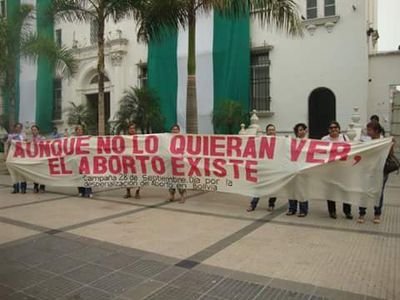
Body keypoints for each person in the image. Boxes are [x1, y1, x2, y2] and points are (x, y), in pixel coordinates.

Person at [358, 121, 392, 224]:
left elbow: (389, 155)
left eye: (369, 130)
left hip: (380, 171)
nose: (367, 132)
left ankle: (377, 214)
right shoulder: (366, 141)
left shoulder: (384, 141)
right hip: (367, 170)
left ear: (376, 131)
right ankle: (362, 213)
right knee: (364, 191)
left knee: (379, 192)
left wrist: (391, 145)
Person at [321, 121, 353, 219]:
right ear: (328, 130)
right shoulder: (324, 139)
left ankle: (347, 211)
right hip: (330, 169)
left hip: (343, 169)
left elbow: (351, 150)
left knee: (345, 190)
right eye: (331, 128)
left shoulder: (345, 138)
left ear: (339, 129)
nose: (334, 129)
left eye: (336, 127)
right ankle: (332, 211)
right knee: (331, 191)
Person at [247, 124, 277, 212]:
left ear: (275, 131)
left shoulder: (280, 141)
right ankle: (253, 204)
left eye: (273, 129)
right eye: (269, 130)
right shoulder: (261, 141)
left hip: (275, 169)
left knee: (274, 188)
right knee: (259, 187)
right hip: (263, 168)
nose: (271, 131)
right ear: (266, 132)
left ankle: (271, 204)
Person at [287, 123, 309, 217]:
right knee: (292, 190)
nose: (301, 131)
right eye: (299, 130)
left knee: (302, 191)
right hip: (293, 169)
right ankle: (292, 209)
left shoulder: (310, 142)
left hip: (304, 170)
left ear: (306, 130)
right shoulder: (292, 142)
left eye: (302, 129)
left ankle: (303, 210)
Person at [5, 123, 27, 194]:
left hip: (22, 156)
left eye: (20, 127)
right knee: (14, 172)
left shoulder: (23, 135)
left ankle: (23, 188)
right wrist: (6, 153)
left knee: (22, 172)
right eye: (17, 127)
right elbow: (7, 144)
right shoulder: (11, 136)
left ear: (21, 128)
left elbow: (27, 144)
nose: (18, 128)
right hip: (13, 156)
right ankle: (16, 187)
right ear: (15, 128)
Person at [168, 124, 186, 203]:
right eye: (173, 129)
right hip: (170, 163)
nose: (174, 131)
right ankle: (172, 195)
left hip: (179, 164)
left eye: (176, 129)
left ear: (179, 131)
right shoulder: (167, 139)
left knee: (180, 181)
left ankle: (182, 196)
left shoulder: (183, 139)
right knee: (170, 181)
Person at [124, 123, 141, 199]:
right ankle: (128, 192)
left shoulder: (140, 138)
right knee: (127, 176)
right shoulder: (125, 138)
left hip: (137, 160)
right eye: (130, 128)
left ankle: (137, 192)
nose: (132, 129)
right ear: (128, 129)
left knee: (138, 176)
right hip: (127, 160)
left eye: (133, 128)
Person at [75, 125, 93, 198]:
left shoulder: (86, 138)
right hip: (77, 161)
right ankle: (81, 191)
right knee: (79, 177)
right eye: (78, 130)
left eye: (81, 129)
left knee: (87, 176)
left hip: (86, 161)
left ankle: (88, 191)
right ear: (76, 131)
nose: (80, 131)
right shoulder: (73, 140)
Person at [31, 125, 46, 193]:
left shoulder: (42, 138)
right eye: (33, 130)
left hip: (41, 158)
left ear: (38, 130)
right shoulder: (30, 139)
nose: (34, 131)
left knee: (42, 172)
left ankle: (42, 186)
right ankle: (35, 186)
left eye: (35, 130)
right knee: (35, 173)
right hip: (33, 159)